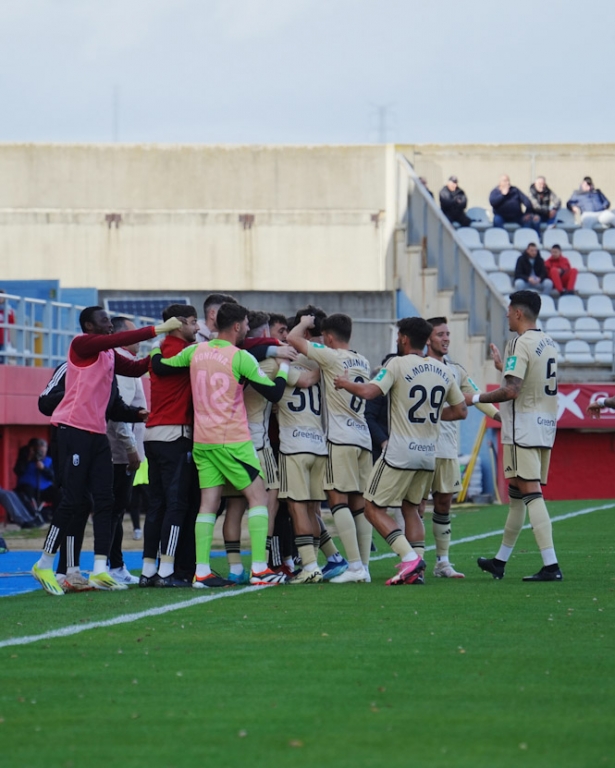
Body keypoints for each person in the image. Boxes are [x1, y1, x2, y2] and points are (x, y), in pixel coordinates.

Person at [30, 306, 182, 596]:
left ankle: (100, 568)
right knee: (72, 500)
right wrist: (158, 330)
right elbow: (113, 342)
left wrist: (169, 348)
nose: (110, 327)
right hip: (73, 429)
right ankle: (44, 562)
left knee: (105, 500)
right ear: (89, 325)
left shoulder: (109, 355)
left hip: (97, 433)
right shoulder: (81, 344)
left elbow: (138, 367)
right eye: (104, 321)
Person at [150, 302, 291, 587]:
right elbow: (274, 394)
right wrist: (285, 367)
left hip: (203, 440)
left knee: (208, 505)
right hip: (232, 440)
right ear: (237, 326)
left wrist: (155, 346)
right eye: (247, 325)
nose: (248, 329)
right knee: (259, 498)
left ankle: (201, 571)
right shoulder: (240, 357)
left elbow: (159, 367)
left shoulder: (195, 351)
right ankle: (260, 568)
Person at [333, 317, 467, 585]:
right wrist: (434, 415)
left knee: (371, 507)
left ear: (404, 338)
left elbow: (371, 392)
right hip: (429, 453)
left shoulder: (395, 363)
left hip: (400, 452)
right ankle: (416, 571)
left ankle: (409, 558)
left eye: (398, 336)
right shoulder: (443, 370)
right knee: (411, 509)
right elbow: (461, 410)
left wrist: (345, 384)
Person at [469, 290, 562, 582]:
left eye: (509, 311)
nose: (507, 315)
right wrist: (502, 367)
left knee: (531, 493)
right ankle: (500, 561)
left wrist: (475, 398)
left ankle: (551, 565)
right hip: (544, 425)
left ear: (519, 313)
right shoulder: (548, 342)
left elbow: (511, 391)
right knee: (518, 495)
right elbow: (527, 376)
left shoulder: (519, 343)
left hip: (522, 427)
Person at [287, 312, 373, 583]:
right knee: (359, 506)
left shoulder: (331, 356)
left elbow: (292, 339)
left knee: (338, 501)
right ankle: (364, 567)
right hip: (364, 438)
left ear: (330, 337)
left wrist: (304, 322)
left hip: (340, 438)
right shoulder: (363, 359)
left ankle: (355, 567)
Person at [423, 318, 500, 579]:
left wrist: (500, 417)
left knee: (443, 504)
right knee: (416, 505)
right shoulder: (416, 367)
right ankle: (413, 560)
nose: (445, 338)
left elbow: (478, 397)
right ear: (427, 339)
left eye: (447, 334)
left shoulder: (456, 370)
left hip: (446, 449)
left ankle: (442, 562)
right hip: (418, 448)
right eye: (439, 334)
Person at [277, 306, 347, 584]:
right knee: (312, 510)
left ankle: (310, 566)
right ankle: (330, 558)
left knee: (297, 508)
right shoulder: (327, 362)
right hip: (320, 443)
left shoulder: (283, 358)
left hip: (294, 443)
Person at [141, 304, 200, 588]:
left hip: (152, 435)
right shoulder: (185, 351)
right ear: (178, 324)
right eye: (192, 322)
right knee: (176, 506)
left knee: (156, 506)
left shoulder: (161, 347)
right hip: (175, 435)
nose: (197, 327)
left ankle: (148, 569)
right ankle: (167, 571)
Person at [105, 316, 148, 586]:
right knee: (113, 509)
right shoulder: (120, 365)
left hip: (124, 450)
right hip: (118, 451)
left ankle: (113, 564)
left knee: (117, 510)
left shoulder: (127, 365)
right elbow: (117, 411)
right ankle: (112, 564)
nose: (140, 340)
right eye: (134, 334)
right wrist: (131, 449)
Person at [13, 438, 58, 522]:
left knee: (59, 493)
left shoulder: (49, 461)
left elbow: (53, 476)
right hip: (28, 488)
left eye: (43, 451)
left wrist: (44, 468)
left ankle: (54, 515)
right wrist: (29, 458)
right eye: (38, 451)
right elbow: (18, 471)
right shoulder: (24, 459)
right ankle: (30, 516)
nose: (40, 454)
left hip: (44, 489)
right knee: (23, 493)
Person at [0, 289, 15, 363]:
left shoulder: (8, 309)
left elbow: (12, 322)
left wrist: (9, 313)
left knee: (3, 359)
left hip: (3, 339)